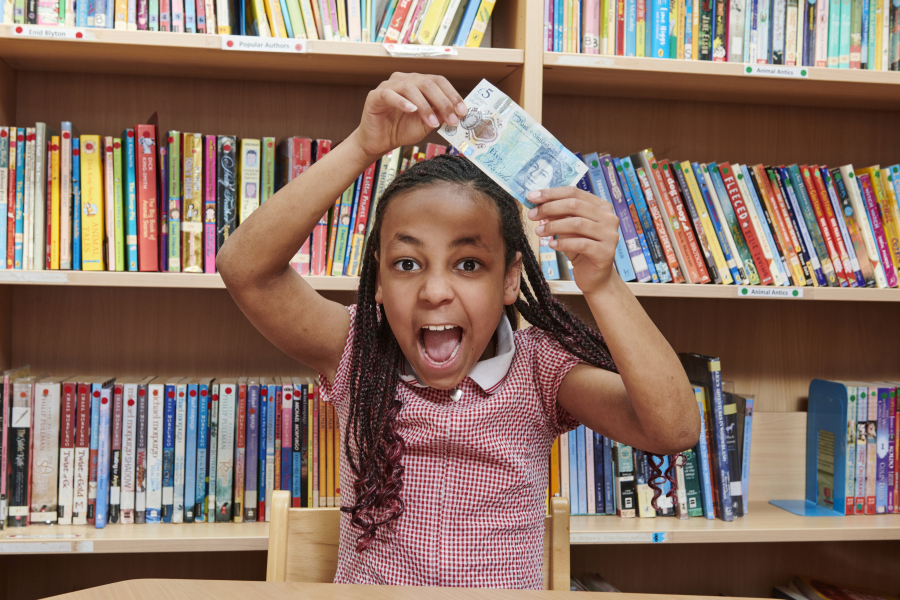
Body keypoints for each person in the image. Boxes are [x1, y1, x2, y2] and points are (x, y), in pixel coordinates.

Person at [217, 73, 699, 589]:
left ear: (510, 279)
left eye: (468, 264)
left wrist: (603, 283)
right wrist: (363, 146)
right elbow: (246, 270)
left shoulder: (540, 368)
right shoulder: (358, 350)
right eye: (407, 264)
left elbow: (672, 430)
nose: (434, 291)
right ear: (378, 279)